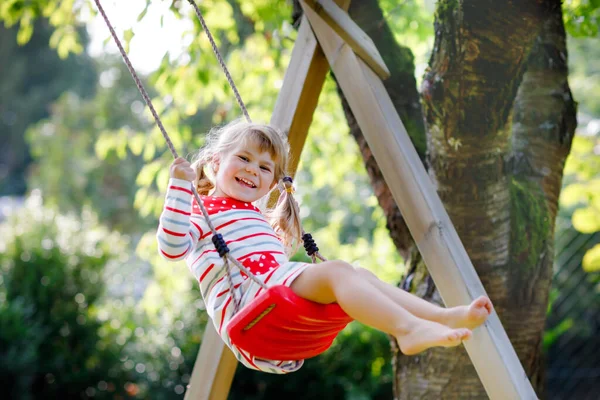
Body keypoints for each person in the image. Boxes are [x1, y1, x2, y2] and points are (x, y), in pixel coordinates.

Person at [157, 119, 493, 374]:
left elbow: (273, 257)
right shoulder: (203, 212)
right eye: (243, 158)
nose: (251, 170)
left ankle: (443, 316)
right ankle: (407, 330)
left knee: (358, 273)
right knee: (338, 271)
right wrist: (178, 188)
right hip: (251, 312)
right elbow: (172, 248)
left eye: (264, 167)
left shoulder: (255, 217)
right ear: (215, 163)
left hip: (276, 308)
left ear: (272, 184)